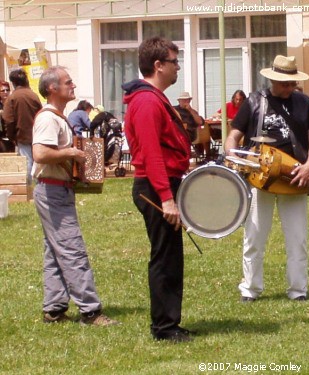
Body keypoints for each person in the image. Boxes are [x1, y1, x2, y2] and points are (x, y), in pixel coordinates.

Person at [224, 55, 309, 302]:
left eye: (291, 83)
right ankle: (250, 289)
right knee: (254, 236)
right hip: (259, 176)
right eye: (283, 83)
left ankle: (298, 290)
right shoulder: (254, 101)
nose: (288, 88)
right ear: (272, 79)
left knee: (297, 238)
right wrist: (233, 156)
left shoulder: (305, 103)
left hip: (294, 176)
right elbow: (233, 136)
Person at [32, 66, 119, 326]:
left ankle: (54, 308)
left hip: (56, 189)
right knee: (72, 249)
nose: (73, 86)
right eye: (68, 82)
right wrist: (72, 153)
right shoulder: (48, 118)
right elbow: (40, 154)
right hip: (52, 189)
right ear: (52, 88)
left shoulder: (59, 117)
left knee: (55, 250)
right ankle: (90, 312)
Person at [122, 37, 193, 342]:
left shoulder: (153, 97)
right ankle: (164, 328)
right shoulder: (148, 101)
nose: (178, 67)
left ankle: (169, 322)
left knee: (171, 257)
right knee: (164, 258)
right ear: (158, 65)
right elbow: (151, 153)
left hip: (161, 184)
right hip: (154, 187)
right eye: (174, 61)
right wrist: (166, 198)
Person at [2, 68, 43, 183]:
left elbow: (8, 120)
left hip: (22, 135)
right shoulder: (33, 95)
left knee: (26, 161)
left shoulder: (12, 97)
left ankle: (28, 186)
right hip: (37, 134)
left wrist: (11, 137)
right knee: (36, 162)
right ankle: (38, 183)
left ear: (13, 82)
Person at [174, 91, 209, 156]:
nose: (186, 102)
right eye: (183, 100)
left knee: (206, 133)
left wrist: (190, 110)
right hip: (179, 132)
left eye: (187, 100)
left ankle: (206, 155)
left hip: (192, 133)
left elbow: (200, 122)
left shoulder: (193, 112)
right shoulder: (174, 110)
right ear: (179, 101)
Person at [0, 80, 15, 153]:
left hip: (12, 138)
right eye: (3, 90)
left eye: (7, 90)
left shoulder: (12, 103)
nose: (5, 92)